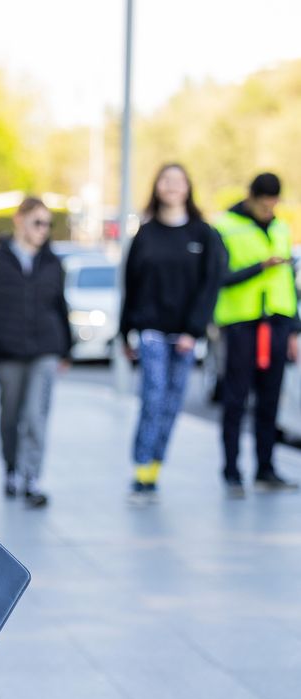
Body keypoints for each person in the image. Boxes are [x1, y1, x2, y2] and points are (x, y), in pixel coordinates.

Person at [120, 163, 222, 504]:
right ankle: (141, 471)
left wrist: (194, 331)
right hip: (150, 332)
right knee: (153, 397)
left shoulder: (203, 234)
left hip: (186, 335)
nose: (172, 186)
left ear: (188, 187)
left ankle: (155, 468)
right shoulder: (145, 234)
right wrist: (125, 333)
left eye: (179, 180)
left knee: (172, 403)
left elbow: (210, 286)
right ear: (157, 187)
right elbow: (130, 285)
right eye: (166, 179)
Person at [0, 196, 70, 507]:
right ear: (20, 221)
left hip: (45, 349)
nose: (43, 230)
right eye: (37, 222)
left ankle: (32, 478)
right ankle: (12, 469)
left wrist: (66, 347)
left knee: (35, 414)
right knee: (10, 415)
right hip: (7, 352)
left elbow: (60, 306)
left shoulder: (52, 262)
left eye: (47, 224)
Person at [213, 173, 300, 496]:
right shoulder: (224, 226)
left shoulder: (280, 226)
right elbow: (219, 277)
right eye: (264, 204)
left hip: (276, 324)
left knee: (270, 401)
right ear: (251, 197)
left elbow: (288, 281)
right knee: (235, 401)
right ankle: (232, 471)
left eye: (273, 204)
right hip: (241, 325)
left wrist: (293, 327)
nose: (269, 210)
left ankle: (265, 468)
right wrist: (259, 267)